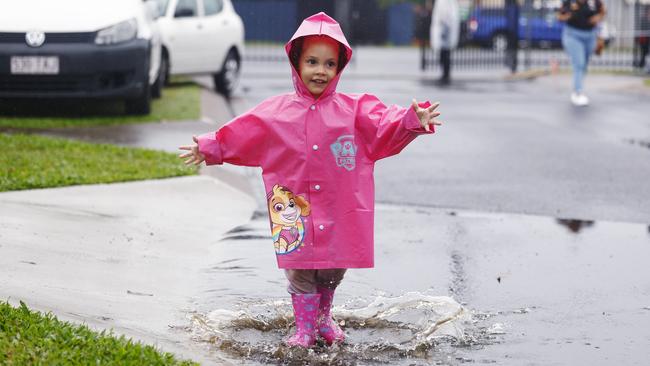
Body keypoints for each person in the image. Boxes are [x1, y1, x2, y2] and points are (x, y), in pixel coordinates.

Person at [178, 12, 442, 348]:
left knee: (334, 268)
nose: (321, 71)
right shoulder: (276, 113)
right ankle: (304, 328)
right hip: (295, 208)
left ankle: (323, 317)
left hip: (340, 207)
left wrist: (412, 119)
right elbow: (243, 132)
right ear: (296, 63)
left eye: (329, 64)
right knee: (301, 270)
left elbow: (384, 123)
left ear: (339, 68)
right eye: (313, 62)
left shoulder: (354, 110)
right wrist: (210, 146)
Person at [557, 0, 606, 107]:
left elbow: (603, 12)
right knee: (579, 63)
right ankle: (577, 92)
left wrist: (598, 17)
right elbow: (559, 16)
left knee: (584, 65)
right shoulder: (569, 2)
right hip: (573, 35)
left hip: (590, 36)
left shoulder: (594, 2)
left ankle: (578, 87)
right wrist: (567, 16)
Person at [430, 0, 459, 85]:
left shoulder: (446, 2)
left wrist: (445, 26)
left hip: (445, 30)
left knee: (445, 54)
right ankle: (445, 73)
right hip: (443, 30)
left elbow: (447, 15)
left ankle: (446, 74)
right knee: (443, 54)